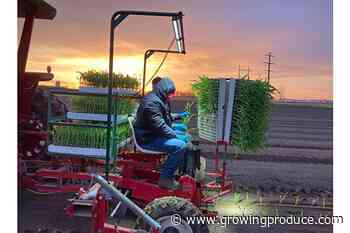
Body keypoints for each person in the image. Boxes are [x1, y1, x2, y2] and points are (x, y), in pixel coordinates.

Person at [134, 77, 190, 190]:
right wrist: (175, 135)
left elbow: (166, 118)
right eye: (169, 94)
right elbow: (160, 126)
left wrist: (179, 117)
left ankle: (177, 168)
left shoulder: (159, 98)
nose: (171, 96)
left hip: (153, 133)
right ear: (163, 90)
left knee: (185, 136)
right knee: (180, 146)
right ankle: (165, 178)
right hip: (148, 139)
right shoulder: (152, 103)